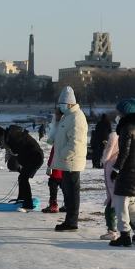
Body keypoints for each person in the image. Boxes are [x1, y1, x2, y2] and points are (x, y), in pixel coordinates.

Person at [51, 86, 88, 232]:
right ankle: (69, 219)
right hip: (66, 162)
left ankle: (72, 222)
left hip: (71, 161)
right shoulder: (68, 116)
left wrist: (62, 155)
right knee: (68, 192)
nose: (60, 107)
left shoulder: (77, 117)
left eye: (62, 104)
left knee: (72, 193)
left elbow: (75, 143)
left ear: (70, 103)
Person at [0, 124, 44, 211]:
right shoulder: (10, 136)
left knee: (23, 178)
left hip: (35, 157)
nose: (0, 145)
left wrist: (18, 164)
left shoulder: (13, 138)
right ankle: (22, 199)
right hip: (32, 157)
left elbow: (21, 152)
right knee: (22, 178)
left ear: (1, 136)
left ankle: (28, 203)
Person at [109, 98, 135, 246]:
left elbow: (124, 152)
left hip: (128, 172)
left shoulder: (127, 128)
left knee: (121, 203)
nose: (117, 114)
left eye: (119, 112)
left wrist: (116, 169)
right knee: (132, 204)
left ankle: (124, 235)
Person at [42, 109, 64, 213]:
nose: (55, 116)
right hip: (58, 155)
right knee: (61, 182)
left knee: (54, 181)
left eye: (57, 114)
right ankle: (67, 204)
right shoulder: (60, 125)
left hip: (59, 157)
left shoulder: (62, 126)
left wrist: (50, 164)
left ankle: (53, 204)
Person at [101, 117, 120, 241]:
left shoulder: (114, 135)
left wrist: (103, 159)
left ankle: (112, 230)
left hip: (113, 167)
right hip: (125, 168)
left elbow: (107, 153)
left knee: (113, 201)